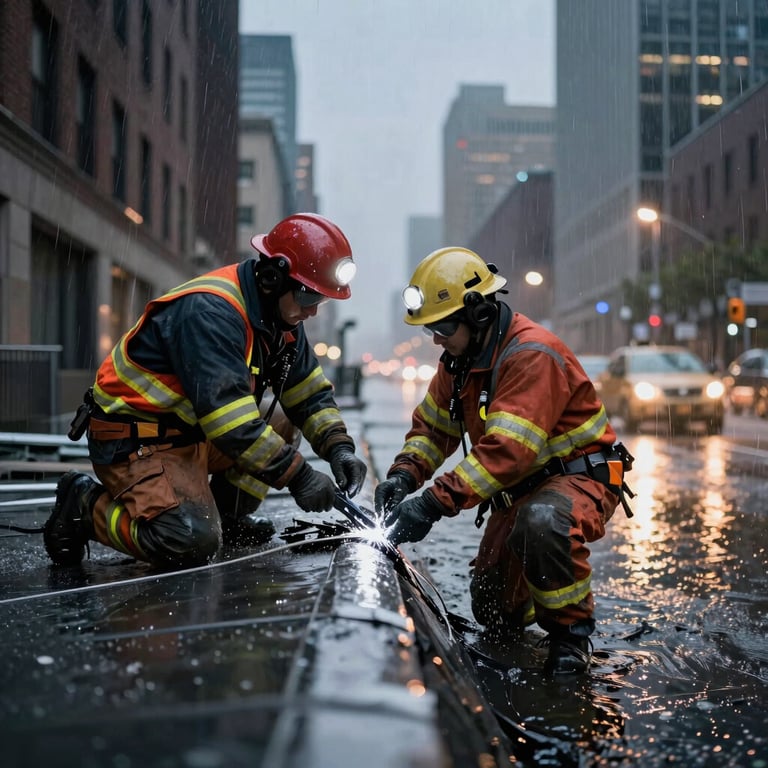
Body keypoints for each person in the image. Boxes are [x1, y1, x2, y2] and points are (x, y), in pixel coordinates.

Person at [44, 213, 367, 570]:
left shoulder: (281, 318)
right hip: (136, 441)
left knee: (281, 421)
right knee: (188, 542)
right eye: (308, 296)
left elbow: (308, 394)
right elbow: (232, 426)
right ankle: (84, 507)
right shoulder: (211, 312)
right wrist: (300, 477)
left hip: (188, 433)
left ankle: (229, 517)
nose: (311, 310)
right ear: (273, 277)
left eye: (320, 301)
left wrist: (339, 448)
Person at [374, 247, 632, 675]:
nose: (435, 339)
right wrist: (403, 476)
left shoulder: (531, 354)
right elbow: (432, 430)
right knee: (493, 611)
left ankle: (571, 637)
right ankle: (536, 588)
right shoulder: (460, 364)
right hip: (520, 489)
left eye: (441, 326)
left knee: (543, 521)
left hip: (577, 478)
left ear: (478, 314)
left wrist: (433, 503)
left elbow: (508, 453)